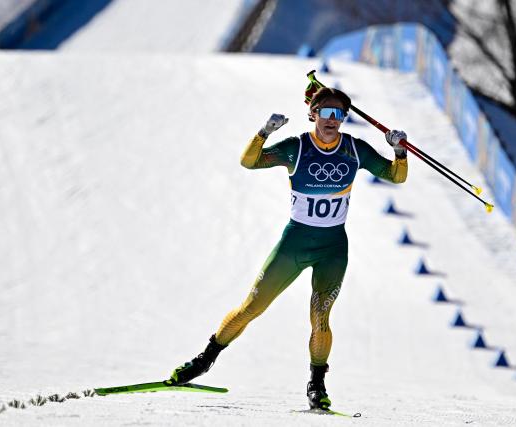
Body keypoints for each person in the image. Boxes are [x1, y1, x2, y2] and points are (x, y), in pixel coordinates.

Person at [166, 87, 408, 410]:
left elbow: (396, 176)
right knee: (251, 307)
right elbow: (248, 162)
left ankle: (317, 385)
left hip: (333, 248)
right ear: (313, 114)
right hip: (294, 244)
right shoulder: (297, 148)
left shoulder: (355, 149)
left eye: (339, 115)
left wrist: (399, 152)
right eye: (326, 112)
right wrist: (263, 133)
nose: (332, 120)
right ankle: (203, 360)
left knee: (321, 317)